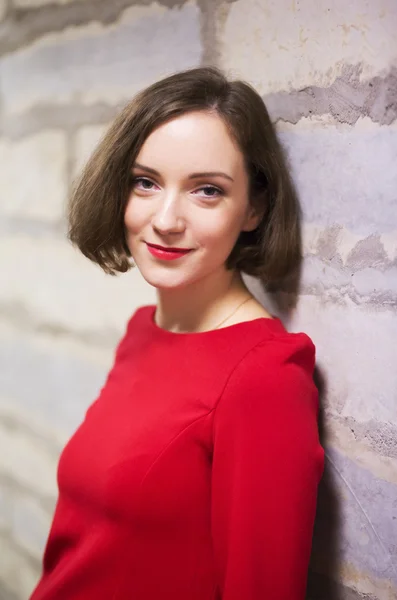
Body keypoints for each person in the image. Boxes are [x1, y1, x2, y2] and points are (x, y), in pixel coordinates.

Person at [30, 66, 325, 600]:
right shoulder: (143, 331)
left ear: (254, 207)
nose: (165, 219)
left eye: (207, 191)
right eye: (145, 182)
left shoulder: (263, 377)